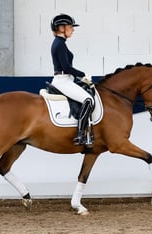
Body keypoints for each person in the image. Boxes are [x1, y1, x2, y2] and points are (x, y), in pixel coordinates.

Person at [50, 13, 94, 145]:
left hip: (66, 79)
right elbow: (67, 67)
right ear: (61, 28)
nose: (73, 29)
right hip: (63, 80)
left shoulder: (60, 43)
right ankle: (80, 134)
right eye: (70, 27)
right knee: (88, 100)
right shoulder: (60, 44)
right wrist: (83, 75)